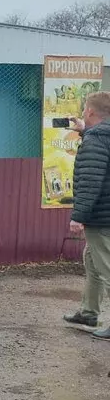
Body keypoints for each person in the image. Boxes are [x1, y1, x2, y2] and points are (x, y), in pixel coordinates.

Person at [63, 91, 110, 341]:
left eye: (84, 110)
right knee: (92, 262)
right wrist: (84, 131)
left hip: (101, 217)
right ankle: (89, 312)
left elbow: (91, 180)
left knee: (106, 267)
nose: (82, 113)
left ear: (91, 112)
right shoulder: (100, 137)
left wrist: (78, 215)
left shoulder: (96, 140)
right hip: (105, 214)